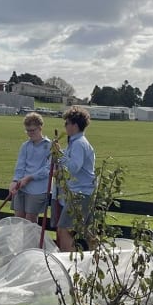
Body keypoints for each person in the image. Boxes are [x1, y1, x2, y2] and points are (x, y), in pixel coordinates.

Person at [54, 105, 96, 251]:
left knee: (63, 229)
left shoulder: (78, 144)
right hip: (85, 193)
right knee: (87, 231)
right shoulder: (76, 143)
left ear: (75, 126)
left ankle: (71, 267)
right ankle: (98, 263)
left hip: (79, 193)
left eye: (67, 123)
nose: (65, 126)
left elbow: (73, 167)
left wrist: (60, 153)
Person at [9, 111, 52, 223]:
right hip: (21, 187)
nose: (30, 133)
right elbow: (20, 166)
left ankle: (32, 241)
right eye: (28, 131)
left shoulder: (50, 146)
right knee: (18, 219)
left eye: (33, 130)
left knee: (30, 220)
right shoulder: (25, 146)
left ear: (40, 128)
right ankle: (20, 241)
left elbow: (48, 169)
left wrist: (30, 178)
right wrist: (15, 181)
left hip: (38, 189)